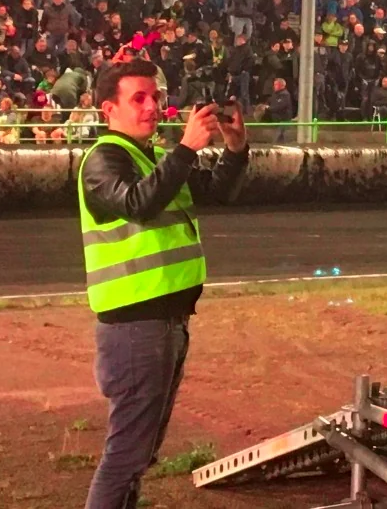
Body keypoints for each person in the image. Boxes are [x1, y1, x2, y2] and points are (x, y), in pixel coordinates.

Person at [78, 60, 249, 509]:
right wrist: (188, 148)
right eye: (139, 98)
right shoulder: (103, 159)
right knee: (126, 454)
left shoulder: (149, 158)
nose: (153, 106)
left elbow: (215, 192)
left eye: (156, 97)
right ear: (107, 109)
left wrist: (234, 148)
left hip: (163, 323)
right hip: (135, 327)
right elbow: (140, 203)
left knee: (139, 453)